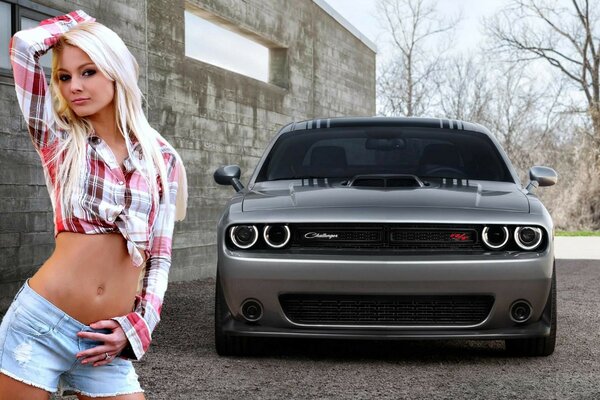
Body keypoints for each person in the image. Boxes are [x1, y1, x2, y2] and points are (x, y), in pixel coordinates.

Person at [0, 9, 187, 399]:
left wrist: (137, 326)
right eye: (64, 77)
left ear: (115, 72)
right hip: (39, 326)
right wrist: (78, 22)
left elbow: (159, 255)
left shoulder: (161, 157)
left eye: (88, 72)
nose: (74, 87)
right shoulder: (59, 137)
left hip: (104, 340)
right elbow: (23, 47)